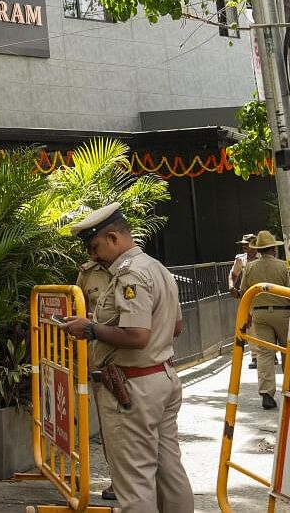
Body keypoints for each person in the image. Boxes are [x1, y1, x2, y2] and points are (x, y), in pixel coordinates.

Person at [60, 203, 193, 512]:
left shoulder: (130, 275)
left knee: (134, 482)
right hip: (162, 377)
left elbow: (136, 336)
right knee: (169, 471)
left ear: (114, 237)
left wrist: (91, 329)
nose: (93, 256)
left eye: (95, 247)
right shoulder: (157, 267)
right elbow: (175, 326)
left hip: (133, 387)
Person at [75, 256, 117, 501]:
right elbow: (77, 310)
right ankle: (118, 480)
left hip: (134, 361)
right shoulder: (87, 274)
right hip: (101, 362)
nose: (92, 250)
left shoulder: (138, 270)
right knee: (109, 426)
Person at [239, 230, 290, 410]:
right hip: (284, 314)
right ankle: (288, 387)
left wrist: (248, 315)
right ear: (274, 249)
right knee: (287, 351)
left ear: (259, 250)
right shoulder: (284, 266)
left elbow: (244, 291)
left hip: (259, 314)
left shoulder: (250, 267)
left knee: (265, 354)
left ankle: (267, 393)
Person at [231, 233, 260, 369]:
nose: (244, 246)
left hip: (263, 296)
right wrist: (231, 286)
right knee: (250, 326)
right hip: (247, 296)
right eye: (244, 244)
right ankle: (255, 356)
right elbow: (233, 274)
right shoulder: (240, 260)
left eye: (247, 244)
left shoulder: (263, 256)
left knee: (265, 324)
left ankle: (269, 354)